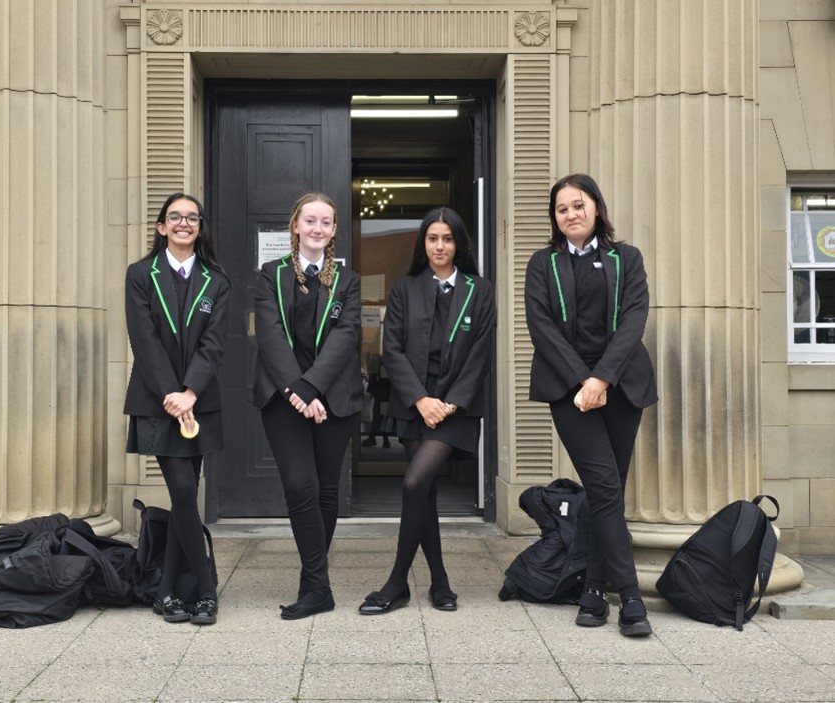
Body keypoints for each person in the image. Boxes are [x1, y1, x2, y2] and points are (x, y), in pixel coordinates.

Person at [524, 173, 657, 637]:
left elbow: (634, 319)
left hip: (623, 388)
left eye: (578, 205)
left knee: (608, 494)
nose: (571, 215)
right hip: (568, 390)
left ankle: (595, 590)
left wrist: (602, 378)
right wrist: (585, 381)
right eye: (562, 209)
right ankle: (633, 599)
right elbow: (542, 327)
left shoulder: (627, 258)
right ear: (554, 219)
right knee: (603, 487)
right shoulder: (543, 264)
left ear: (596, 207)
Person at [359, 207, 495, 615]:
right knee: (426, 495)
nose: (439, 246)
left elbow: (481, 355)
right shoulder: (405, 289)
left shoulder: (480, 290)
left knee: (415, 484)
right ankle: (440, 583)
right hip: (413, 405)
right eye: (432, 239)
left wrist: (448, 403)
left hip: (456, 408)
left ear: (459, 244)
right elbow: (392, 349)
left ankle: (397, 583)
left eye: (447, 239)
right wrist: (421, 400)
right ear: (423, 244)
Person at [253, 192, 364, 620]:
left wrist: (313, 389)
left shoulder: (347, 281)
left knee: (326, 491)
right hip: (283, 400)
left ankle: (311, 582)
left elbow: (344, 338)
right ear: (295, 225)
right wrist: (298, 393)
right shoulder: (269, 275)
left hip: (333, 399)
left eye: (326, 222)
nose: (317, 228)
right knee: (301, 488)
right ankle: (320, 587)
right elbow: (270, 335)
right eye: (310, 220)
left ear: (334, 231)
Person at [124, 192, 229, 626]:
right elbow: (143, 339)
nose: (184, 223)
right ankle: (205, 590)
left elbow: (214, 344)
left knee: (186, 495)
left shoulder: (216, 280)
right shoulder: (139, 275)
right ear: (161, 227)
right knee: (184, 493)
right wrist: (171, 393)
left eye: (192, 217)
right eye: (175, 217)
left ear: (199, 228)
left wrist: (190, 393)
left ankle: (167, 592)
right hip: (156, 400)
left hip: (199, 403)